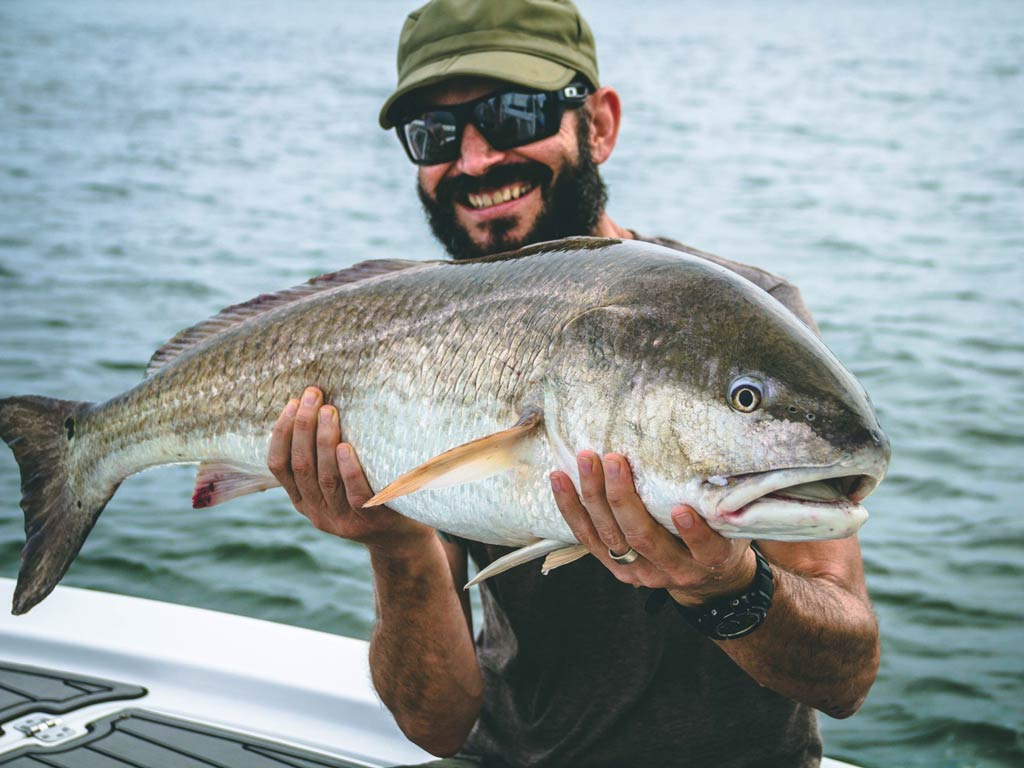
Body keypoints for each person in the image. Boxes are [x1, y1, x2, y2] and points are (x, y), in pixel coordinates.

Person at [266, 2, 880, 766]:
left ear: (600, 124)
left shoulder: (741, 323)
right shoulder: (414, 335)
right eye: (435, 134)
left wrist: (728, 586)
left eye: (515, 114)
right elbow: (438, 725)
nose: (477, 160)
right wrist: (397, 541)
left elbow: (847, 679)